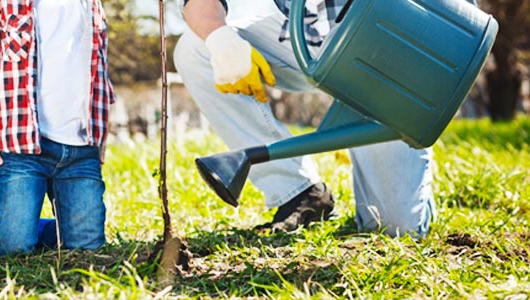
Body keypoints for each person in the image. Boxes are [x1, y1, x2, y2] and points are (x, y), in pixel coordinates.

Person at [173, 0, 455, 237]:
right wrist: (222, 41)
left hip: (391, 50)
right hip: (307, 38)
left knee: (393, 228)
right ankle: (298, 192)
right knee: (197, 47)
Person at [0, 0, 115, 256]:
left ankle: (25, 221)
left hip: (80, 153)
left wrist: (100, 140)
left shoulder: (91, 5)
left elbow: (99, 77)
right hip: (21, 150)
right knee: (11, 248)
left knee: (86, 248)